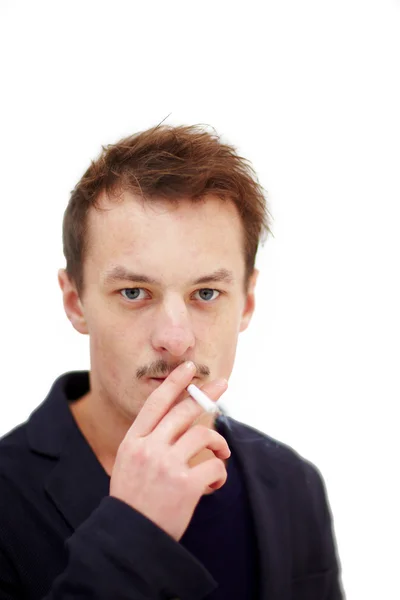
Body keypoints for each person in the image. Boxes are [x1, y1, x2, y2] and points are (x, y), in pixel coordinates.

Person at [0, 124, 344, 599]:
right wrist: (134, 533)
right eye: (134, 292)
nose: (176, 340)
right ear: (75, 301)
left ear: (245, 303)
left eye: (206, 293)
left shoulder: (293, 484)